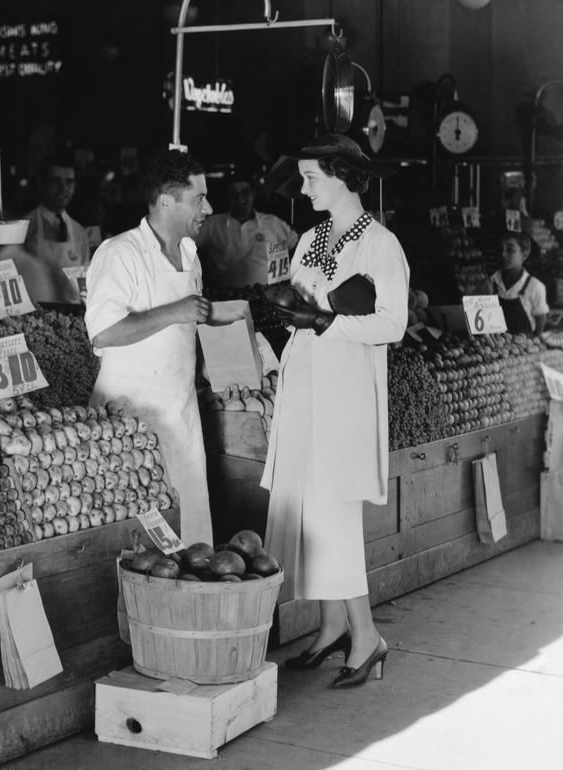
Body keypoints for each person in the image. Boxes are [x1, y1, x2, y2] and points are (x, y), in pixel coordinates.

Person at [261, 134, 409, 688]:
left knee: (336, 512)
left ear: (343, 176)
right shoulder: (308, 240)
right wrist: (287, 306)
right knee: (306, 506)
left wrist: (328, 322)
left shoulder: (381, 246)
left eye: (311, 178)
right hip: (305, 382)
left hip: (346, 389)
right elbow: (301, 303)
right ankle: (329, 627)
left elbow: (392, 324)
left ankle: (367, 637)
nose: (303, 188)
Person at [85, 149, 235, 546]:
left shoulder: (190, 254)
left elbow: (186, 331)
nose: (208, 207)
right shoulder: (121, 253)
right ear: (166, 201)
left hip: (181, 416)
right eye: (199, 198)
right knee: (138, 543)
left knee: (192, 536)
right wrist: (176, 311)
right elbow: (103, 333)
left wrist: (219, 360)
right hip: (128, 422)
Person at [195, 171, 299, 289]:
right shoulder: (213, 224)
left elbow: (298, 247)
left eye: (245, 192)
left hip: (267, 297)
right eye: (233, 193)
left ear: (253, 194)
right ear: (227, 196)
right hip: (225, 297)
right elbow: (186, 246)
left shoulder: (273, 223)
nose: (239, 198)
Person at [14, 153, 92, 303]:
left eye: (69, 182)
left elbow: (85, 285)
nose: (63, 188)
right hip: (35, 317)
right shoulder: (24, 227)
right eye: (56, 181)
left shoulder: (80, 233)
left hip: (70, 316)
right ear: (41, 183)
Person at [484, 231, 548, 336]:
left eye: (510, 250)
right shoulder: (491, 282)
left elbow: (541, 321)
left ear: (524, 255)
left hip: (523, 346)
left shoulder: (535, 286)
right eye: (500, 249)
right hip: (494, 345)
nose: (503, 254)